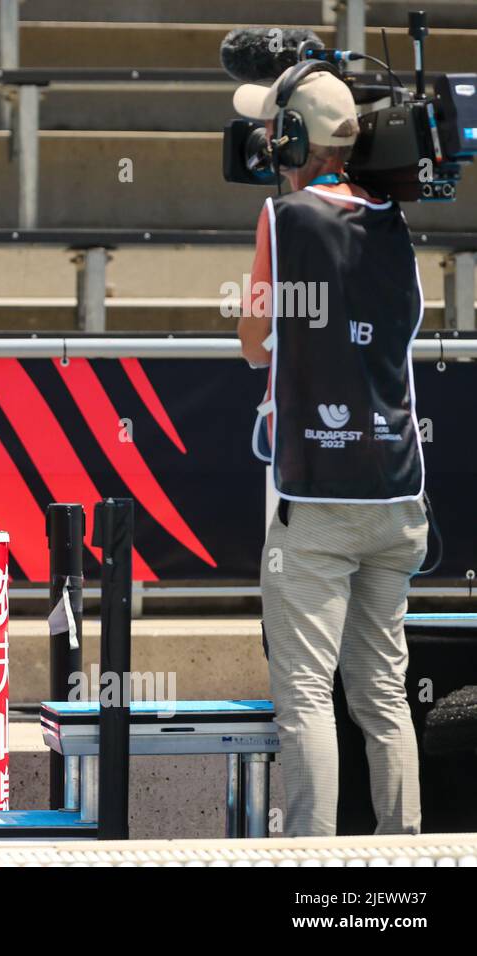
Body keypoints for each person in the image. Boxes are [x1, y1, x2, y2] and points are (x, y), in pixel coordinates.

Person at [234, 64, 429, 837]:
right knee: (382, 693)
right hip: (399, 496)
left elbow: (254, 341)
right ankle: (406, 851)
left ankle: (309, 861)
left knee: (306, 694)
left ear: (289, 136)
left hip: (314, 499)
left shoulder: (283, 219)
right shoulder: (397, 221)